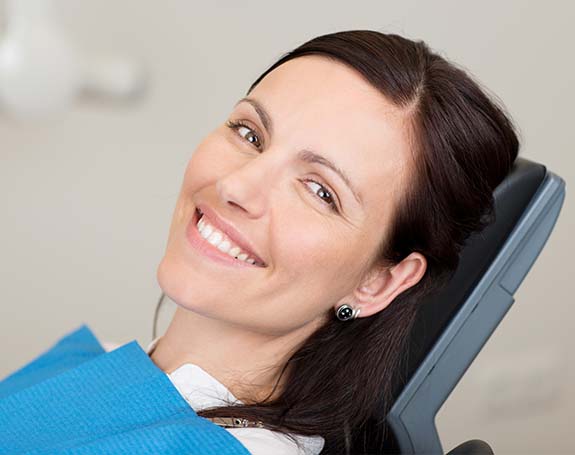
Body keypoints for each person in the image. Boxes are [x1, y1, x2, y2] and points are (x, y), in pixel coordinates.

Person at [3, 29, 520, 455]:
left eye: (320, 191)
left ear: (378, 281)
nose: (235, 186)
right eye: (251, 134)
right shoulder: (107, 360)